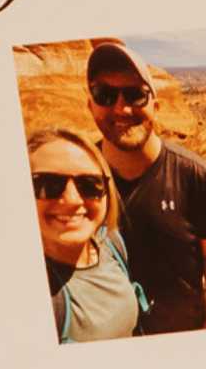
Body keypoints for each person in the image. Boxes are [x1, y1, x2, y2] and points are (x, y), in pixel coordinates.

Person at [87, 39, 206, 334]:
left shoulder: (192, 174)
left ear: (157, 105)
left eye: (135, 95)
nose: (121, 108)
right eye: (104, 95)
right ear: (90, 105)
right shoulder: (78, 176)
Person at [31, 131, 141, 344]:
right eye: (48, 185)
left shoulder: (110, 243)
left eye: (89, 185)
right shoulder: (34, 294)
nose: (72, 200)